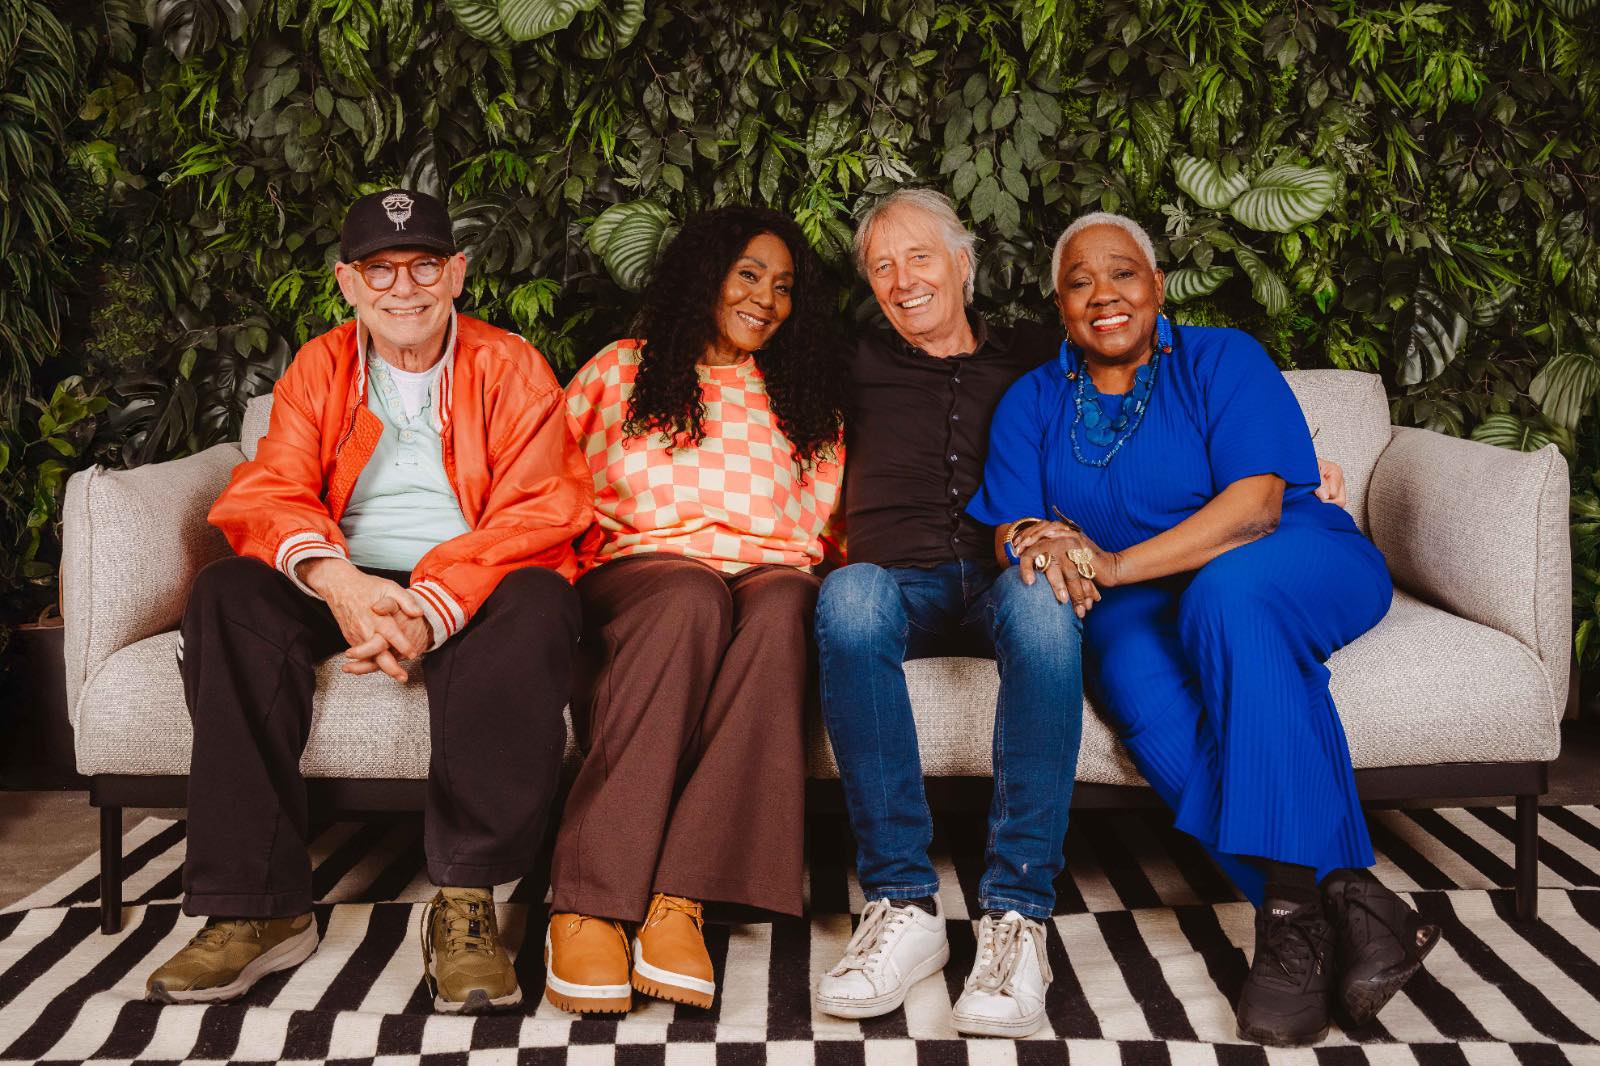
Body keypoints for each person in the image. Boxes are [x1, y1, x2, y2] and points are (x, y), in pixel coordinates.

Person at [968, 211, 1440, 1046]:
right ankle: (1350, 904)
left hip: (1291, 556)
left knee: (1229, 597)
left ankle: (1287, 914)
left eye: (1123, 273)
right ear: (1059, 306)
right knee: (1124, 669)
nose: (1103, 294)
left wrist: (1112, 564)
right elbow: (1011, 524)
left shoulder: (1223, 358)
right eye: (1079, 282)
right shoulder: (1034, 401)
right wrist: (1035, 538)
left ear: (1156, 285)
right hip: (1145, 602)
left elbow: (1256, 509)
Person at [143, 189, 592, 1014]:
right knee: (227, 594)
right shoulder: (319, 367)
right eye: (380, 270)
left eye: (424, 265)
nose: (403, 287)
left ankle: (466, 905)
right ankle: (259, 907)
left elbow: (540, 509)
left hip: (475, 576)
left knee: (538, 603)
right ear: (348, 283)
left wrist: (428, 605)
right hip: (345, 569)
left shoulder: (511, 364)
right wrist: (341, 584)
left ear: (457, 274)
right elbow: (273, 490)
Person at [546, 205, 846, 1015]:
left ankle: (682, 898)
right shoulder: (621, 370)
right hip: (641, 576)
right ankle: (589, 902)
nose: (766, 299)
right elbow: (550, 489)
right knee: (690, 594)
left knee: (788, 604)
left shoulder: (804, 395)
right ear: (704, 275)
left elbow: (827, 527)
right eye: (749, 275)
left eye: (783, 286)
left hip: (766, 576)